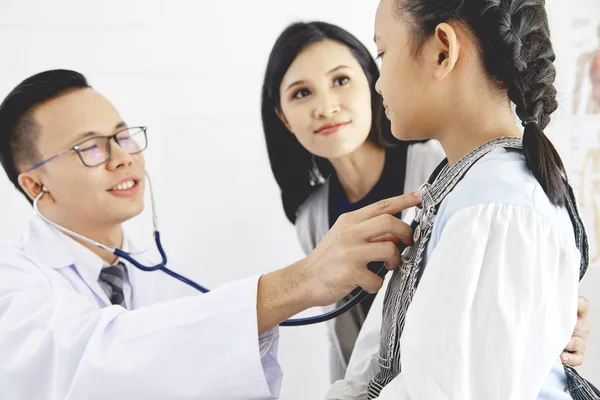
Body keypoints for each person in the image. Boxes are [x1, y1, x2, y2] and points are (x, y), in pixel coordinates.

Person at [0, 69, 422, 400]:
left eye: (123, 136)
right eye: (90, 148)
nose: (123, 157)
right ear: (36, 186)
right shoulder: (14, 284)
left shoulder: (159, 274)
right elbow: (94, 361)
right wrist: (302, 280)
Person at [260, 20, 592, 391]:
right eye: (301, 93)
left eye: (340, 80)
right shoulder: (311, 217)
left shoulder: (446, 175)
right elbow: (344, 341)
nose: (325, 107)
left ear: (373, 81)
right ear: (283, 118)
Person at [365, 0, 600, 398]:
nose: (378, 82)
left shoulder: (496, 210)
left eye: (383, 53)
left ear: (443, 51)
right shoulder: (472, 184)